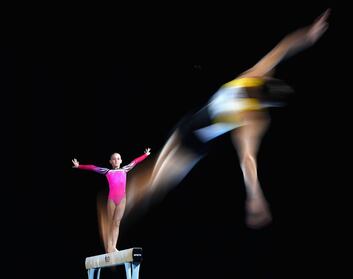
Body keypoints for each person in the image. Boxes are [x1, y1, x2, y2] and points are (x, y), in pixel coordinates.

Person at [126, 10, 330, 229]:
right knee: (155, 181)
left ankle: (118, 207)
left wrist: (255, 194)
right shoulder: (255, 91)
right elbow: (285, 47)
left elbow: (248, 159)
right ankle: (118, 208)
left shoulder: (254, 100)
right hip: (193, 135)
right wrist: (307, 35)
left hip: (193, 136)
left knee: (155, 181)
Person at [72, 148, 151, 253]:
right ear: (110, 161)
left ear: (121, 160)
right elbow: (93, 167)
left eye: (118, 159)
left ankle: (113, 246)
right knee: (110, 222)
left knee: (117, 223)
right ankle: (109, 246)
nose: (116, 161)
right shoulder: (107, 171)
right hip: (112, 200)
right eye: (113, 159)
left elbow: (135, 162)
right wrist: (79, 166)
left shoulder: (125, 169)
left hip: (122, 199)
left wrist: (145, 155)